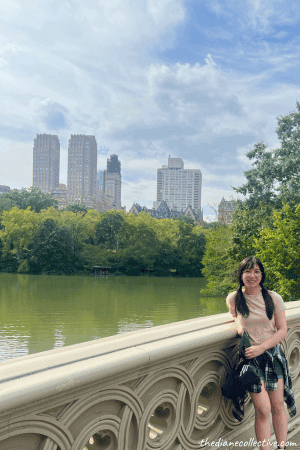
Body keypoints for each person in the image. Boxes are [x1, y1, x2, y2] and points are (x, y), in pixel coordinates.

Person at [226, 256, 296, 450]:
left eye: (257, 271)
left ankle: (281, 447)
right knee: (263, 410)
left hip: (273, 356)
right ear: (241, 275)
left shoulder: (273, 298)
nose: (252, 276)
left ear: (262, 275)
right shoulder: (234, 298)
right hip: (251, 361)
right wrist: (239, 326)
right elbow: (235, 318)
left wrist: (262, 347)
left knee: (278, 406)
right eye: (247, 271)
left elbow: (282, 330)